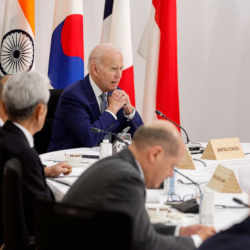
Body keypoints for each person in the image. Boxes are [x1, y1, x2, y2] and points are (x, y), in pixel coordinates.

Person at [63, 120, 215, 250]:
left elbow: (132, 230)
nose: (170, 174)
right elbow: (145, 244)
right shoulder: (126, 178)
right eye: (172, 166)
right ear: (155, 154)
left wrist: (179, 231)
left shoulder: (117, 165)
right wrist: (198, 241)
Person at [0, 71, 72, 246]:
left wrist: (43, 171)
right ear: (40, 110)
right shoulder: (25, 154)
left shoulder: (5, 139)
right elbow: (45, 216)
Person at [48, 43, 143, 151]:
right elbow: (89, 139)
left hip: (104, 162)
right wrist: (111, 111)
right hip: (68, 163)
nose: (119, 75)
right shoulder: (73, 96)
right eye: (113, 69)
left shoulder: (116, 94)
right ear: (95, 70)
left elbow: (142, 138)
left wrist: (129, 112)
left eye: (121, 69)